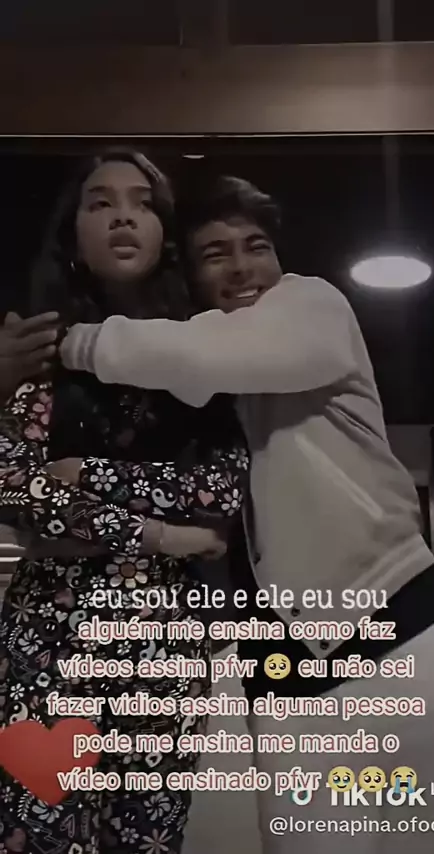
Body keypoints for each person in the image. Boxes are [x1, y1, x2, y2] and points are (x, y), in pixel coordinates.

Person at [60, 174, 434, 854]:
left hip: (407, 631)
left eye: (256, 246)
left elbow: (210, 352)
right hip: (285, 678)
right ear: (189, 277)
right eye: (215, 253)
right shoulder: (183, 394)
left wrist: (71, 342)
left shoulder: (311, 305)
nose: (242, 266)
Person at [0, 155, 248, 854]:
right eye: (99, 203)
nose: (122, 217)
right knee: (38, 836)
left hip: (169, 638)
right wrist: (159, 534)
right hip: (51, 631)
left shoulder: (204, 356)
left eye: (142, 203)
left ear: (165, 233)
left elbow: (220, 490)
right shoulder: (38, 353)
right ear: (72, 233)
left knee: (146, 840)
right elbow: (17, 488)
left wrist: (87, 474)